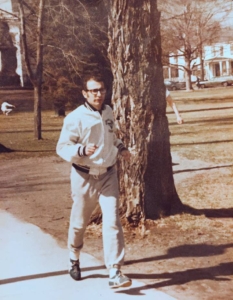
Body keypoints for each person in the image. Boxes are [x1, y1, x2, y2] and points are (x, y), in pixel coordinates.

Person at [56, 72, 132, 288]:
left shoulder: (108, 111)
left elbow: (111, 137)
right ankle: (74, 257)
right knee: (79, 224)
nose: (98, 94)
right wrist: (81, 149)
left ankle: (115, 272)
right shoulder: (74, 118)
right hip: (83, 176)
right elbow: (62, 147)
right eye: (93, 91)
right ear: (85, 93)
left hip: (108, 174)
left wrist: (121, 148)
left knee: (112, 222)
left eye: (101, 90)